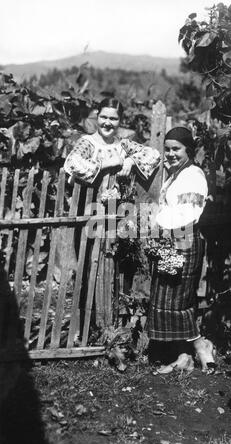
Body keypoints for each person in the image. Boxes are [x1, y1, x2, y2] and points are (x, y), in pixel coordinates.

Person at [63, 98, 160, 332]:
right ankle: (85, 326)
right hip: (90, 214)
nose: (107, 122)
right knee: (88, 267)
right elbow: (72, 163)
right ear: (97, 117)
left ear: (120, 121)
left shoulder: (123, 144)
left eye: (113, 118)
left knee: (117, 267)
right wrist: (107, 164)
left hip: (118, 216)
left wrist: (129, 159)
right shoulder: (88, 143)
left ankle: (113, 324)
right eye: (104, 117)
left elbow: (153, 155)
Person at [147, 127, 215, 374]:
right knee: (171, 298)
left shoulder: (193, 175)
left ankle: (199, 347)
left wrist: (160, 221)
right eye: (167, 149)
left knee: (177, 299)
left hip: (184, 241)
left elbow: (189, 211)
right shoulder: (176, 174)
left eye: (176, 149)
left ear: (189, 149)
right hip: (173, 241)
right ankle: (185, 355)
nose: (171, 153)